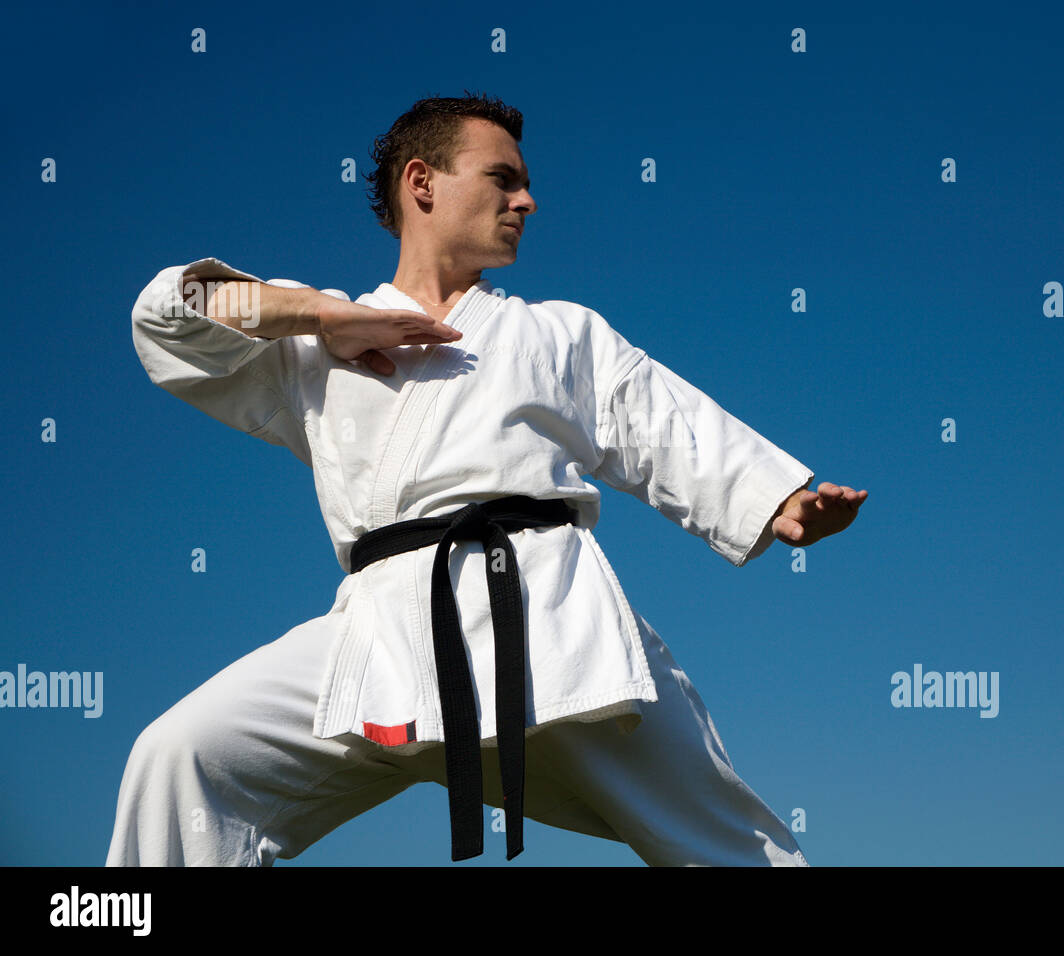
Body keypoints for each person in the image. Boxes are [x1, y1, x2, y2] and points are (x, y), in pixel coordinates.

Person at [107, 92, 867, 867]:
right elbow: (168, 313)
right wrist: (319, 316)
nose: (528, 200)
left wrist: (777, 499)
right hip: (378, 640)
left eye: (526, 184)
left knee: (737, 848)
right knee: (180, 759)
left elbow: (659, 421)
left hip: (552, 622)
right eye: (503, 178)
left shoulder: (559, 333)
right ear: (422, 183)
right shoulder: (312, 345)